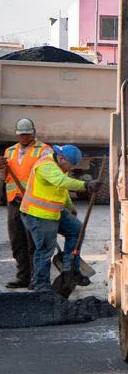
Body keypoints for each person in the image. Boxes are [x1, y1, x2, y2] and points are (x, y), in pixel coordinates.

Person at [20, 144, 98, 292]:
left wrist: (70, 206)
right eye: (71, 164)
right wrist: (86, 185)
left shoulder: (60, 166)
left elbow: (61, 188)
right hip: (38, 214)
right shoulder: (45, 166)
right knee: (45, 250)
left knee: (77, 231)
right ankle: (41, 285)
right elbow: (61, 182)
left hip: (55, 211)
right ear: (62, 158)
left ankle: (70, 270)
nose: (71, 168)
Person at [2, 118, 51, 288]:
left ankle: (36, 279)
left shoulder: (44, 151)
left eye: (26, 134)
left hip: (32, 203)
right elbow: (5, 178)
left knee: (34, 243)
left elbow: (48, 176)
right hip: (14, 202)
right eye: (21, 135)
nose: (23, 137)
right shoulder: (9, 151)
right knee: (17, 241)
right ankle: (22, 277)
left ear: (33, 133)